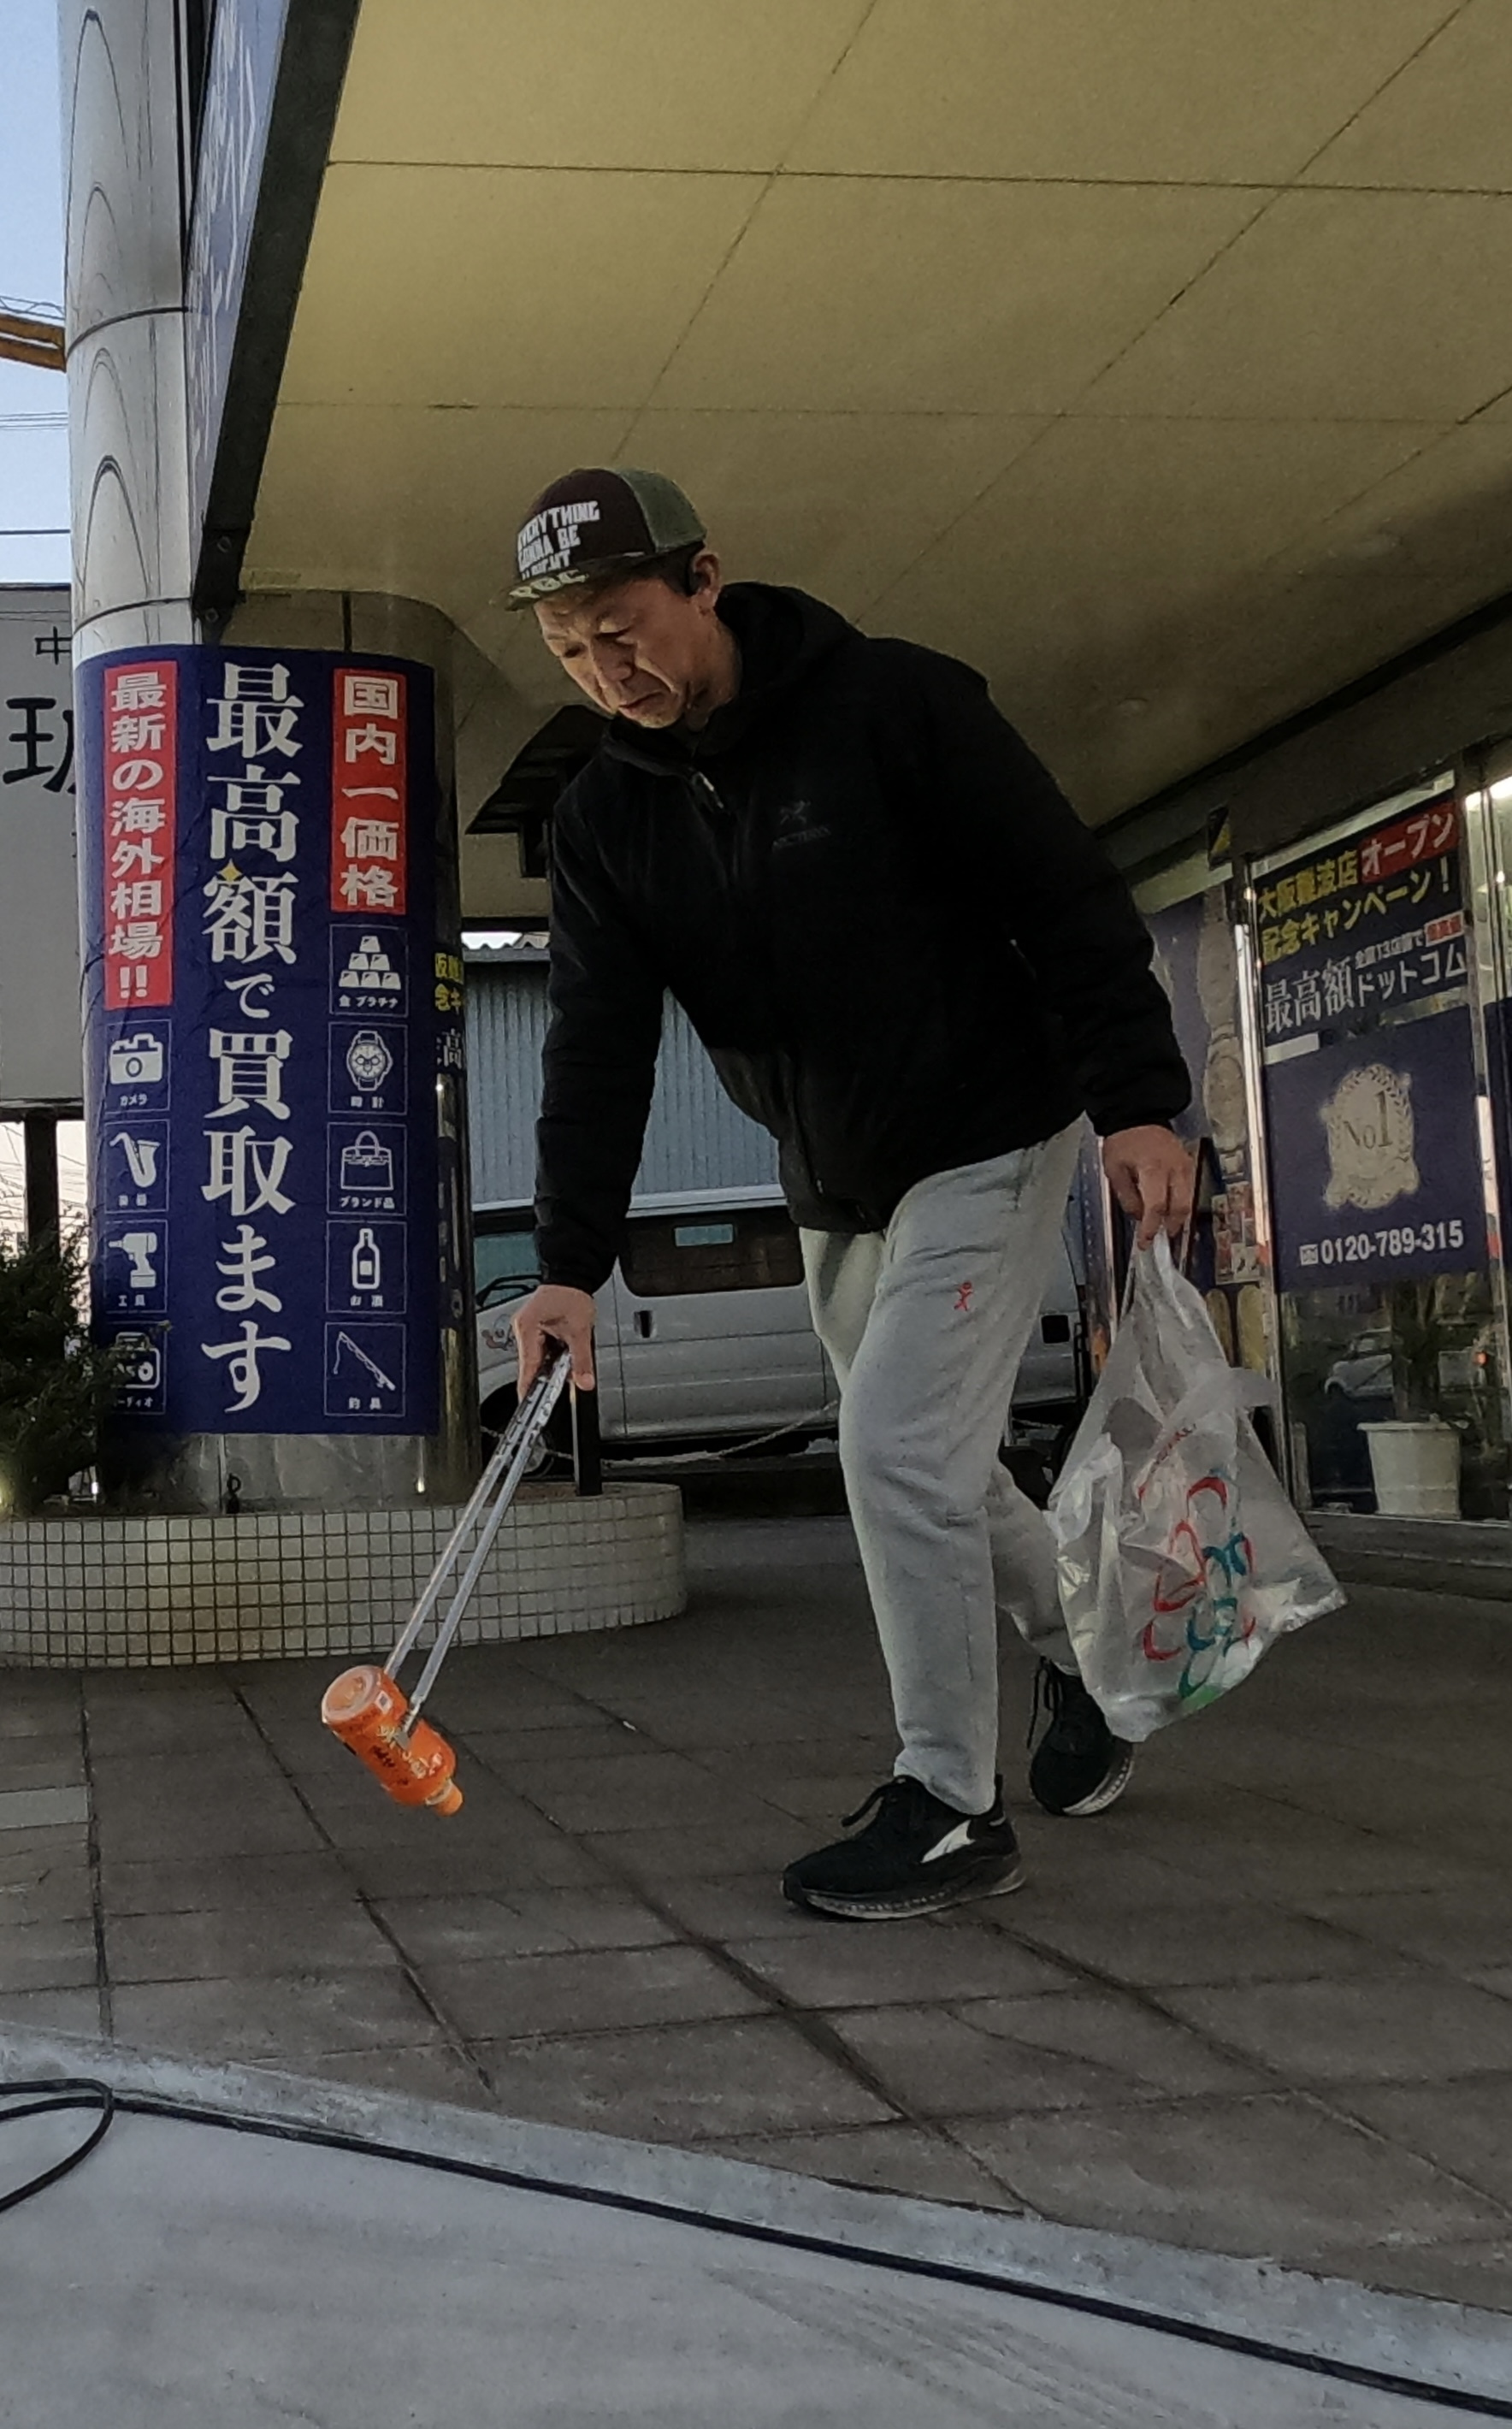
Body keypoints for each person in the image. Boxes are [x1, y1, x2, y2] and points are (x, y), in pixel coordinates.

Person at [506, 466, 1193, 1922]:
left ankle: (949, 1804)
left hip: (991, 1132)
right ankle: (1092, 1659)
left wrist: (1141, 1100)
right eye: (570, 651)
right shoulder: (602, 826)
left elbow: (1063, 895)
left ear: (704, 581)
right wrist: (567, 1260)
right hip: (831, 1179)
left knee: (892, 1451)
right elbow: (596, 1044)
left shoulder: (892, 707)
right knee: (940, 1469)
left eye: (622, 629)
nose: (604, 671)